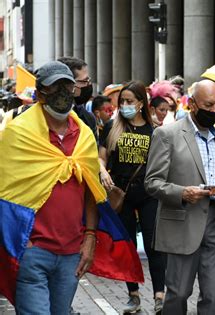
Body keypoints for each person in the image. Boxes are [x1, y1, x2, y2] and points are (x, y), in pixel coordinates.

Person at [0, 61, 102, 314]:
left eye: (67, 86)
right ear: (40, 92)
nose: (63, 93)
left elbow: (92, 190)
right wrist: (22, 244)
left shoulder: (84, 136)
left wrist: (89, 237)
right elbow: (4, 192)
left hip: (71, 253)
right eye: (54, 87)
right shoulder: (17, 134)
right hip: (32, 251)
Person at [145, 80, 215, 315]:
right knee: (178, 293)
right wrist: (182, 193)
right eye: (208, 104)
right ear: (193, 104)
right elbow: (152, 183)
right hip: (183, 224)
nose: (214, 110)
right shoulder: (167, 134)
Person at [98, 81, 166, 314]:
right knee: (126, 245)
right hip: (121, 194)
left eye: (130, 101)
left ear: (141, 104)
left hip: (148, 193)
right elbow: (101, 157)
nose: (125, 105)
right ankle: (133, 295)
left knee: (153, 244)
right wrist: (102, 171)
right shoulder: (112, 127)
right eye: (122, 101)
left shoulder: (155, 130)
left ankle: (159, 295)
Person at [58, 57, 97, 138]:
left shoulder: (87, 118)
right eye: (84, 81)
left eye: (89, 80)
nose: (88, 85)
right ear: (68, 85)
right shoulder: (34, 117)